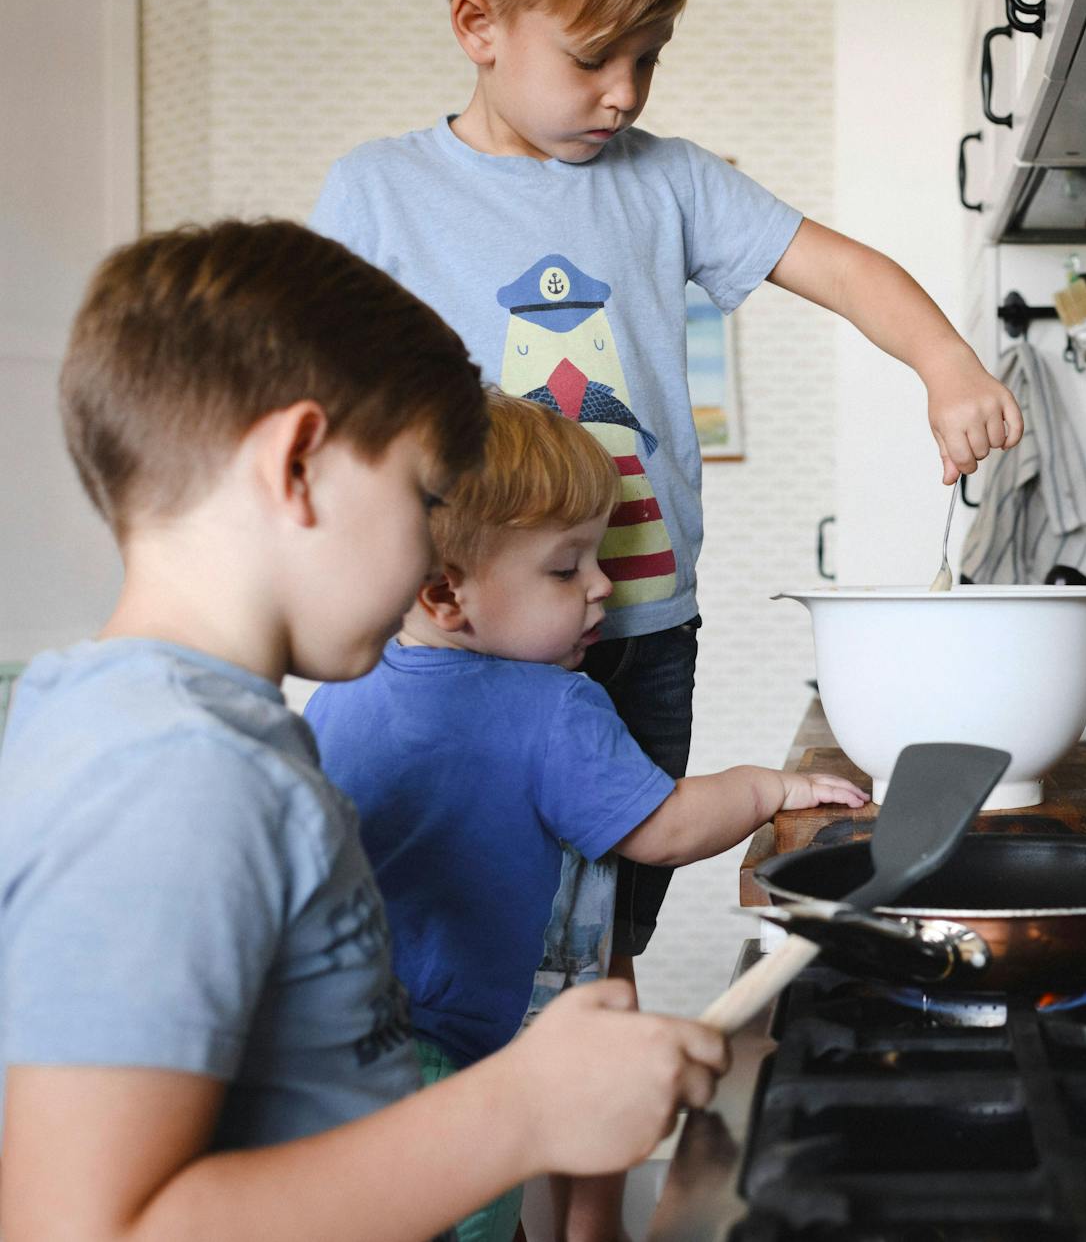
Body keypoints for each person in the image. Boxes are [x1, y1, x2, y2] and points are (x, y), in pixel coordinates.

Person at [0, 220, 729, 1242]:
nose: (433, 555)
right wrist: (519, 1108)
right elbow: (82, 1226)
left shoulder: (175, 726)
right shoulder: (175, 774)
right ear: (296, 463)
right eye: (426, 496)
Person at [308, 0, 1020, 997]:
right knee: (436, 927)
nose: (625, 93)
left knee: (602, 940)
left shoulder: (672, 181)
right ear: (479, 29)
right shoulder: (379, 189)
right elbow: (314, 401)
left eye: (650, 59)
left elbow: (845, 271)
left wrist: (944, 362)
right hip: (447, 639)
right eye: (594, 60)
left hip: (636, 625)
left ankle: (590, 1139)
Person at [304, 391, 864, 1242]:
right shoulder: (555, 704)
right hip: (462, 1054)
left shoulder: (337, 693)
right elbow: (663, 827)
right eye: (567, 569)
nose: (603, 586)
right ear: (445, 592)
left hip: (334, 1055)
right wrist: (766, 787)